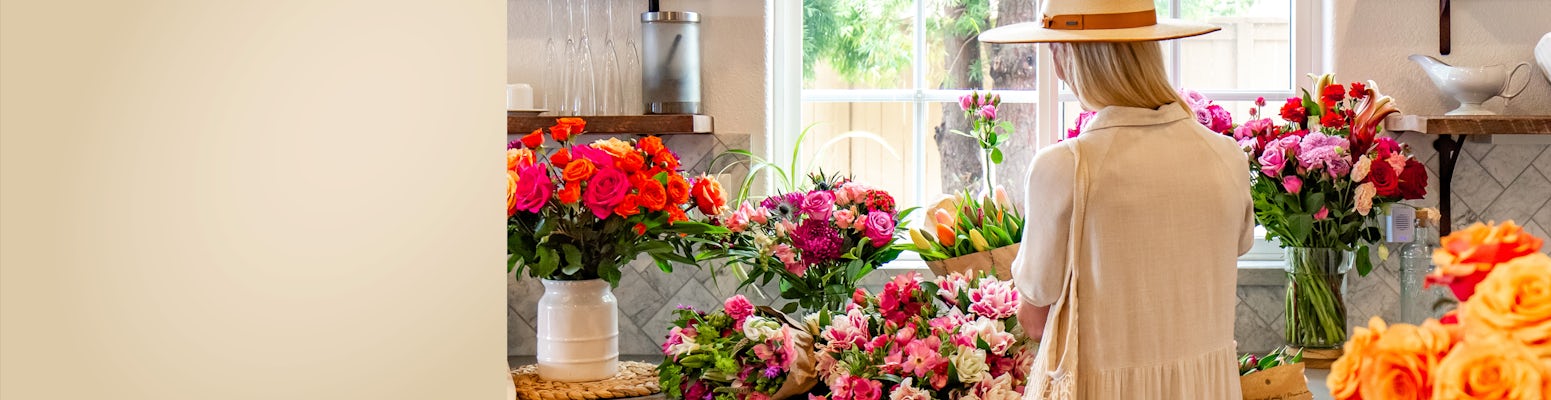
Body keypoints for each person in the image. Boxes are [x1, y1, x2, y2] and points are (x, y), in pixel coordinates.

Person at [980, 1, 1255, 399]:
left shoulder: (1065, 167)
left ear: (1066, 58)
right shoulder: (1227, 157)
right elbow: (1232, 249)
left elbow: (1035, 319)